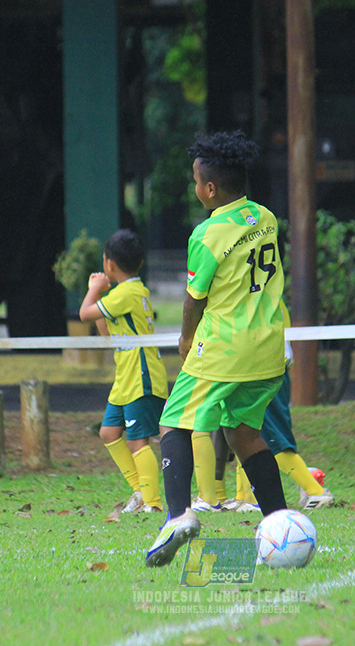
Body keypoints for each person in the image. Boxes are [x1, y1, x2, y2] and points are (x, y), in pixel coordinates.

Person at [145, 130, 288, 567]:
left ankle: (177, 516)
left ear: (210, 189)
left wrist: (186, 340)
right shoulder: (264, 217)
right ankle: (282, 526)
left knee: (173, 422)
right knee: (243, 433)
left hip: (224, 346)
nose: (194, 188)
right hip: (267, 349)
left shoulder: (206, 234)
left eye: (195, 181)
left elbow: (194, 299)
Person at [79, 228, 168, 514]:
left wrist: (93, 288)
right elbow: (106, 332)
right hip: (125, 378)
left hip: (140, 376)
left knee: (137, 439)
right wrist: (103, 294)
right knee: (108, 432)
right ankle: (140, 491)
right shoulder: (130, 291)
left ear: (109, 264)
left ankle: (152, 502)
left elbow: (84, 314)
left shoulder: (126, 293)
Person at [193, 337, 334, 513]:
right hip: (254, 365)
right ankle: (245, 497)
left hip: (264, 368)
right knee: (242, 430)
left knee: (267, 436)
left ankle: (315, 491)